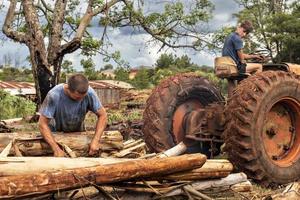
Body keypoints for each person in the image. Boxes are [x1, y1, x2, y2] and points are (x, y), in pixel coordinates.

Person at [38, 73, 107, 157]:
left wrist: (96, 140)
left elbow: (103, 115)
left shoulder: (90, 93)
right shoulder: (54, 95)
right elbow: (42, 124)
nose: (81, 100)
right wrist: (55, 148)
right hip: (56, 135)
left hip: (78, 134)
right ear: (68, 89)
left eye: (83, 97)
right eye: (78, 98)